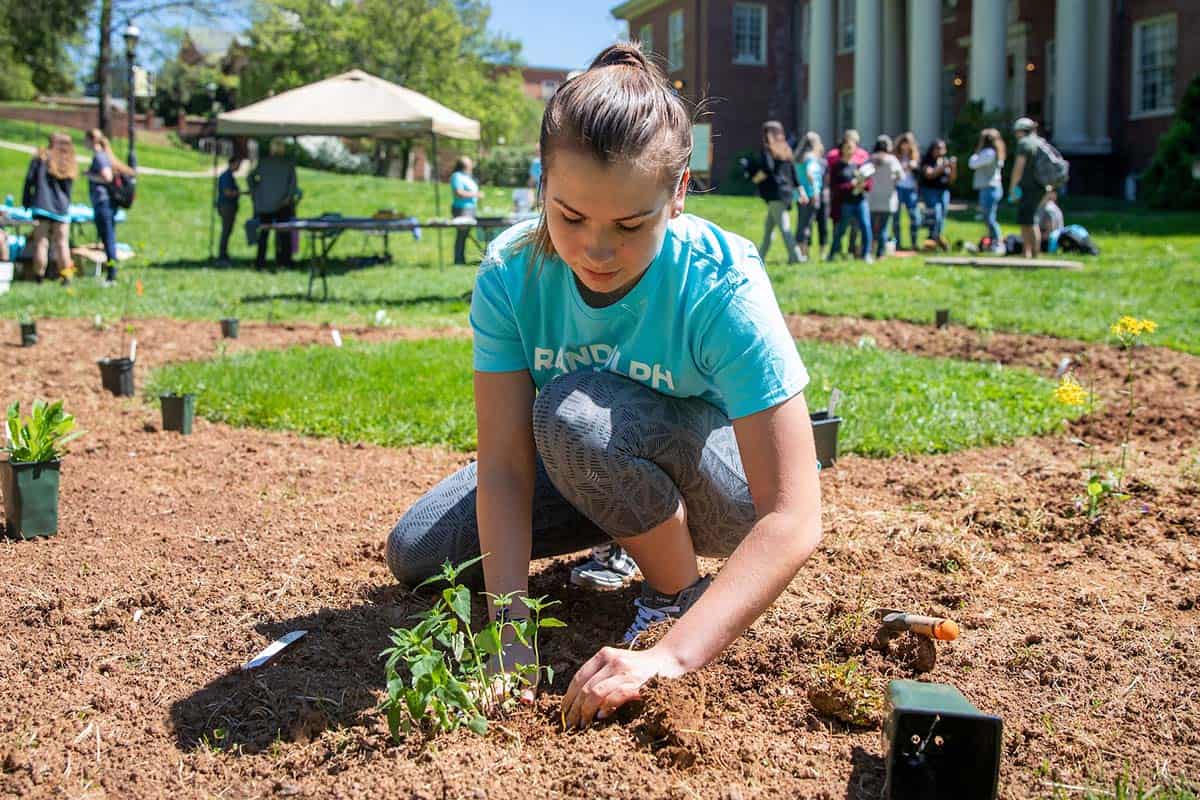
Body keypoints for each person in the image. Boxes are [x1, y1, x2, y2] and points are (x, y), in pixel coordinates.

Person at [385, 43, 822, 727]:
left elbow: (793, 515)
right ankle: (626, 531)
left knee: (572, 416)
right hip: (583, 462)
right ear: (541, 186)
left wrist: (668, 658)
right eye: (569, 217)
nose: (595, 250)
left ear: (677, 194)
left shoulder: (722, 285)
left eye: (629, 224)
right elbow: (502, 467)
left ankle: (675, 593)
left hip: (718, 490)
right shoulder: (509, 274)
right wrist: (511, 632)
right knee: (419, 552)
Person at [22, 133, 76, 284]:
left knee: (41, 243)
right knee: (62, 243)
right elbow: (68, 190)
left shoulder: (40, 158)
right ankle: (67, 278)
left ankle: (39, 277)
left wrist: (26, 202)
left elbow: (29, 181)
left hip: (42, 207)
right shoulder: (68, 161)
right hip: (62, 209)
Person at [85, 129, 135, 285]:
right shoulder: (105, 155)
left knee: (108, 239)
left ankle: (112, 275)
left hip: (103, 203)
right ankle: (110, 272)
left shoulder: (100, 157)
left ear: (92, 140)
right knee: (108, 238)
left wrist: (89, 175)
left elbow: (107, 176)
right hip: (107, 203)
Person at [751, 121, 803, 264]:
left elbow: (768, 168)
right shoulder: (785, 149)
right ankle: (759, 258)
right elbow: (793, 173)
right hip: (786, 194)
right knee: (768, 229)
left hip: (775, 194)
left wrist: (755, 178)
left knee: (785, 229)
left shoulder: (768, 150)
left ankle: (796, 257)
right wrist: (800, 190)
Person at [249, 138, 299, 271]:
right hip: (283, 205)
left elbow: (250, 178)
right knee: (284, 235)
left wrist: (256, 194)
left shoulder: (263, 162)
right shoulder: (289, 164)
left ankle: (260, 262)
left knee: (264, 235)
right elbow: (293, 185)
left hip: (265, 204)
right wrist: (287, 198)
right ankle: (285, 262)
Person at [827, 129, 872, 261]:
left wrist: (863, 185)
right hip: (846, 202)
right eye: (847, 147)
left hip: (860, 200)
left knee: (865, 226)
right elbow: (835, 187)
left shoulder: (858, 165)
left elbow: (869, 183)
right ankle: (833, 253)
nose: (850, 150)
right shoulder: (837, 166)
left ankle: (866, 254)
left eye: (852, 147)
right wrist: (851, 185)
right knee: (841, 229)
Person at [1007, 117, 1049, 258]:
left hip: (1029, 187)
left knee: (1030, 221)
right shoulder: (1039, 142)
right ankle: (1027, 251)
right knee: (1027, 219)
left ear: (1020, 131)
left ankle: (1034, 253)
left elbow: (1019, 167)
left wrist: (1012, 186)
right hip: (1041, 186)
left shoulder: (1024, 144)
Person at [968, 128, 1005, 253]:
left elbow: (972, 163)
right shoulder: (994, 152)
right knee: (988, 217)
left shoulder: (988, 152)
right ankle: (991, 242)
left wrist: (977, 151)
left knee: (989, 218)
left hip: (990, 188)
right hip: (992, 187)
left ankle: (998, 242)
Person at [866, 135, 902, 259]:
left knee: (871, 227)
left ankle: (869, 250)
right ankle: (880, 254)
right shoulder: (892, 159)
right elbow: (900, 176)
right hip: (888, 199)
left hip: (872, 198)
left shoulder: (870, 159)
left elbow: (863, 174)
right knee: (883, 228)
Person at [918, 139, 956, 251]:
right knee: (935, 214)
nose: (940, 151)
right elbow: (930, 174)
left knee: (942, 216)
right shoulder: (927, 161)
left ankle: (937, 238)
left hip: (943, 191)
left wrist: (953, 168)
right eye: (938, 148)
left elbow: (951, 180)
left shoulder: (945, 161)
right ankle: (933, 238)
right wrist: (943, 167)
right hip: (930, 191)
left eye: (942, 148)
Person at [794, 132, 825, 262]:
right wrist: (814, 192)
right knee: (807, 225)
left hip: (800, 196)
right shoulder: (811, 157)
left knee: (802, 224)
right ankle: (803, 255)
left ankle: (802, 252)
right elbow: (810, 173)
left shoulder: (799, 157)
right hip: (810, 195)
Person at [450, 156, 484, 265]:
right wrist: (476, 195)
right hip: (462, 209)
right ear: (464, 164)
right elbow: (459, 192)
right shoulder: (457, 176)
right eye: (470, 162)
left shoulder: (468, 177)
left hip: (471, 208)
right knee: (462, 234)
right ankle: (458, 259)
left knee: (466, 234)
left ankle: (462, 258)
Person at [892, 132, 922, 251]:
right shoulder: (895, 157)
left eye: (908, 144)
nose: (906, 146)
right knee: (896, 218)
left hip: (911, 189)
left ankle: (914, 243)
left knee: (915, 217)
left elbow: (920, 174)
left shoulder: (915, 157)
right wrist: (904, 167)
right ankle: (897, 243)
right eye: (904, 143)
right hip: (898, 188)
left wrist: (915, 167)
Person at [216, 156, 242, 266]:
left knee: (228, 231)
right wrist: (239, 193)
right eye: (238, 164)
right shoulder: (226, 176)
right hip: (227, 206)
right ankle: (222, 255)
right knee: (226, 231)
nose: (239, 167)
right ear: (233, 163)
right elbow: (227, 192)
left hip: (228, 206)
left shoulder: (229, 175)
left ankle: (224, 253)